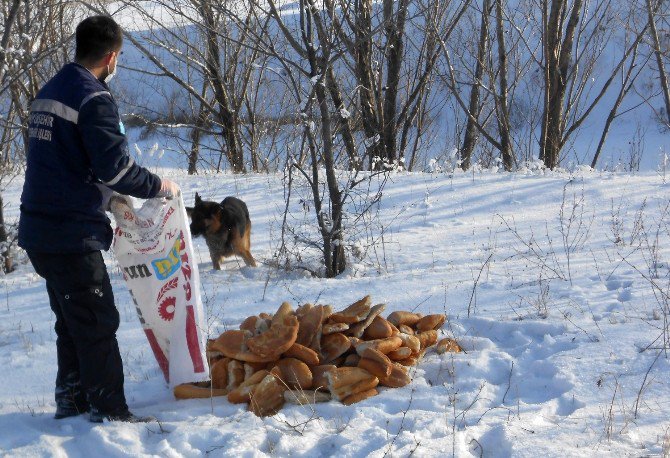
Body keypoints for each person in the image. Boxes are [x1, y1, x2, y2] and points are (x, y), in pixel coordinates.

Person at [18, 15, 179, 423]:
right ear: (111, 56)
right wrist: (159, 186)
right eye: (119, 57)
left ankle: (72, 403)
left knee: (72, 322)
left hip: (40, 231)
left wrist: (109, 200)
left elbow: (67, 162)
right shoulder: (94, 97)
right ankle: (110, 412)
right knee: (96, 321)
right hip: (70, 233)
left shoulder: (51, 90)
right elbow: (116, 168)